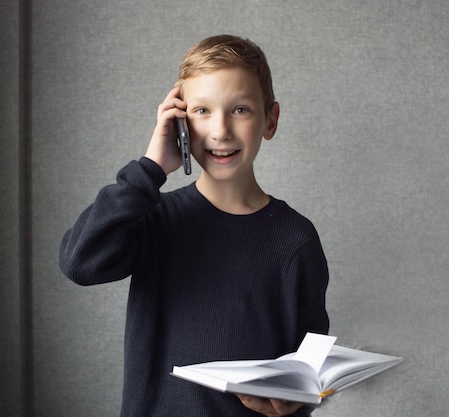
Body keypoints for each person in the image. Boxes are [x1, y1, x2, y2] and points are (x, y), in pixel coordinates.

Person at [59, 34, 329, 417]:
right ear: (180, 123)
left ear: (270, 120)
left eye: (240, 110)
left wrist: (296, 403)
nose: (220, 130)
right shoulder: (154, 218)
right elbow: (78, 262)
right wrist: (149, 169)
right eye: (202, 111)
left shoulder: (296, 239)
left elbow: (309, 366)